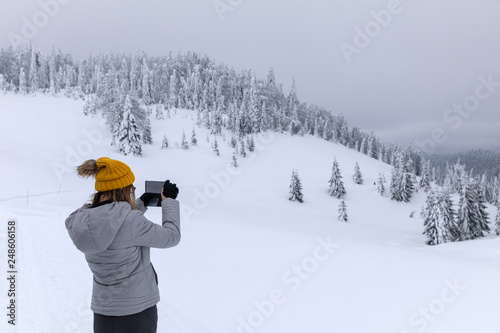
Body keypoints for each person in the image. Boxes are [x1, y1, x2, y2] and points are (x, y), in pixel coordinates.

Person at [65, 157, 181, 333]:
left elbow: (114, 221)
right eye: (131, 188)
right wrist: (169, 201)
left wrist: (140, 203)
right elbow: (171, 236)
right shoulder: (132, 222)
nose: (133, 191)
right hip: (137, 312)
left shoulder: (82, 220)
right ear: (123, 189)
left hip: (103, 314)